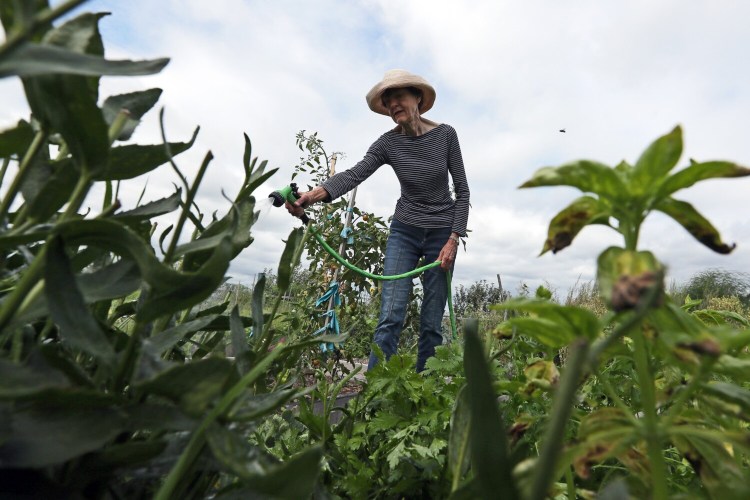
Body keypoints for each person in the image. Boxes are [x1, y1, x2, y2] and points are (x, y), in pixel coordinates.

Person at [286, 69, 470, 372]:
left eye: (398, 96)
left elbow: (462, 192)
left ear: (418, 98)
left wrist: (453, 239)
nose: (393, 104)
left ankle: (425, 389)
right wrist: (311, 196)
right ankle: (375, 392)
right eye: (388, 101)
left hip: (441, 234)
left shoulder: (446, 135)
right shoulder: (387, 143)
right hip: (405, 232)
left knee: (432, 320)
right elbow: (354, 174)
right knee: (391, 315)